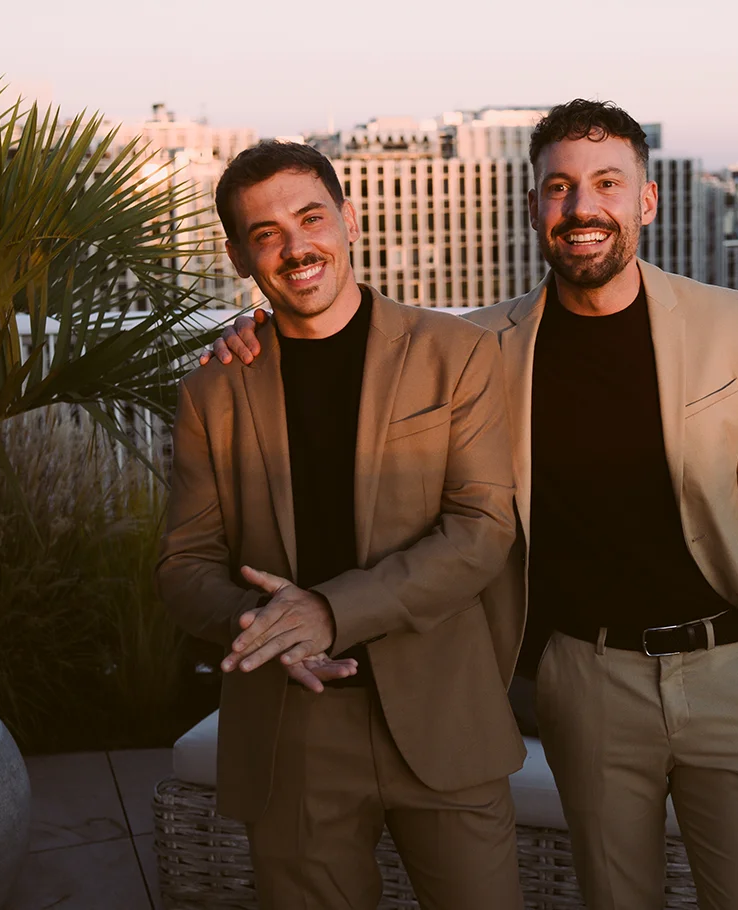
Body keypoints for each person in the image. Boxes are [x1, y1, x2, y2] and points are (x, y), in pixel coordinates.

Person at [207, 101, 738, 910]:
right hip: (586, 680)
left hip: (732, 670)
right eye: (559, 188)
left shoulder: (729, 322)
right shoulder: (480, 346)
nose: (581, 207)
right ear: (533, 207)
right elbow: (359, 340)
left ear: (646, 200)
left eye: (606, 183)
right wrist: (251, 332)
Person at [159, 140, 526, 910]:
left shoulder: (456, 354)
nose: (296, 248)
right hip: (292, 726)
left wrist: (328, 612)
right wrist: (266, 626)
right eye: (265, 234)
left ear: (348, 220)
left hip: (441, 708)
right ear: (238, 256)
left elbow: (482, 529)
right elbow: (183, 568)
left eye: (310, 218)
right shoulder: (211, 392)